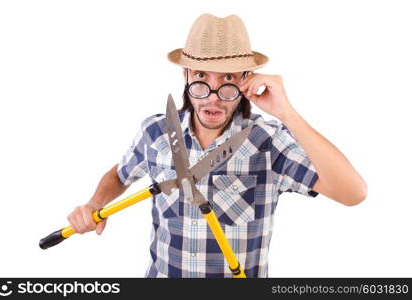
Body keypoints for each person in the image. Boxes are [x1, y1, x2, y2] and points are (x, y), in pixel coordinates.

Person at [67, 13, 367, 278]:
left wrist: (287, 113)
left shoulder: (268, 141)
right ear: (185, 75)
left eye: (227, 78)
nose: (212, 95)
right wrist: (94, 205)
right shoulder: (156, 131)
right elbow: (120, 175)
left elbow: (353, 193)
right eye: (200, 77)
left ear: (247, 81)